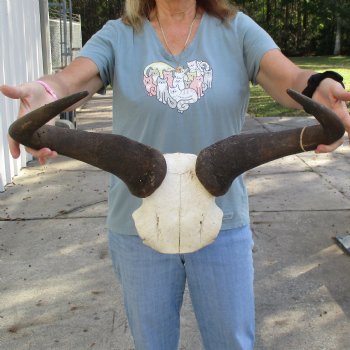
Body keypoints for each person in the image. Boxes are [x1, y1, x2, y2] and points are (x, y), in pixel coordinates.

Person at [1, 1, 350, 349]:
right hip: (137, 225)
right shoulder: (119, 35)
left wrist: (322, 85)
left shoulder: (238, 29)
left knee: (232, 342)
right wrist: (44, 92)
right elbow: (70, 80)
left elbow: (287, 77)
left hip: (221, 224)